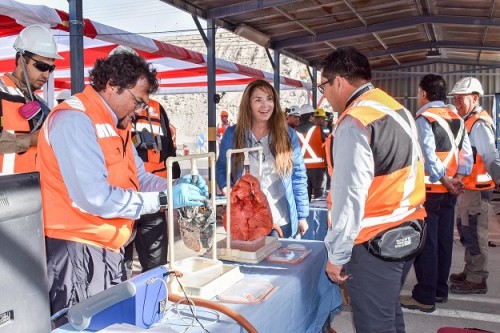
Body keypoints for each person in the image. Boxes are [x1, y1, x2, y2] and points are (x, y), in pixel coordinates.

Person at [37, 51, 208, 320]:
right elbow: (95, 197)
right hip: (77, 254)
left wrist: (175, 184)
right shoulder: (74, 119)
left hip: (107, 251)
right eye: (137, 101)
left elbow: (139, 178)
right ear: (113, 84)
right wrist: (165, 199)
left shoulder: (116, 125)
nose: (139, 111)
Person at [321, 47, 426, 333]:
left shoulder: (355, 121)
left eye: (324, 86)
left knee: (374, 325)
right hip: (409, 228)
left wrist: (337, 255)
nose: (324, 95)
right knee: (388, 314)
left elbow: (349, 196)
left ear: (339, 82)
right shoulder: (396, 109)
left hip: (373, 242)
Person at [105, 45, 180, 278]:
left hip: (153, 197)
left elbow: (169, 149)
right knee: (121, 269)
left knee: (156, 267)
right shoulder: (107, 113)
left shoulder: (157, 109)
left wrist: (175, 185)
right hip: (120, 201)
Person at [400, 74, 473, 313]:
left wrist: (444, 180)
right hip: (450, 191)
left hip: (431, 190)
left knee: (426, 244)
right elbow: (466, 156)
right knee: (444, 242)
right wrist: (457, 181)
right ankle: (440, 290)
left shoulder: (424, 118)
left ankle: (425, 295)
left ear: (423, 93)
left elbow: (429, 157)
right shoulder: (458, 119)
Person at [216, 79, 309, 238]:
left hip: (281, 218)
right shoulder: (233, 134)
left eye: (269, 99)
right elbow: (222, 168)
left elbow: (298, 176)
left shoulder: (287, 135)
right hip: (248, 219)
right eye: (258, 100)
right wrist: (227, 188)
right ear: (248, 104)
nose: (265, 105)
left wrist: (302, 215)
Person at [449, 77, 500, 294]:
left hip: (478, 192)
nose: (457, 102)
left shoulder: (479, 123)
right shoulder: (468, 121)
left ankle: (478, 279)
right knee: (467, 232)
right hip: (469, 189)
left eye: (461, 98)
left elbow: (490, 156)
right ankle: (471, 271)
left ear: (475, 98)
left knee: (475, 235)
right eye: (455, 98)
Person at [0, 24, 61, 174]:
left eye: (50, 69)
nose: (46, 75)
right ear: (21, 61)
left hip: (34, 191)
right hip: (5, 192)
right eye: (41, 66)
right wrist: (30, 140)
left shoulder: (41, 105)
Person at [296, 104, 327, 200]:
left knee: (305, 198)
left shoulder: (294, 131)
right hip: (319, 169)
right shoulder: (319, 129)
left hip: (301, 169)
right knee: (319, 198)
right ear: (311, 117)